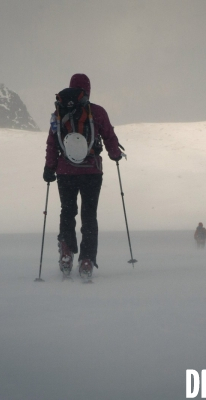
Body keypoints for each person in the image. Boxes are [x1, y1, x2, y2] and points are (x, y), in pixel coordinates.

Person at [43, 73, 123, 279]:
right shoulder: (97, 112)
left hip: (65, 172)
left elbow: (53, 142)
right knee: (89, 216)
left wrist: (50, 167)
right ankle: (86, 260)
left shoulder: (58, 112)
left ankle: (66, 251)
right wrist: (115, 154)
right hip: (91, 171)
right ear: (88, 89)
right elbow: (109, 136)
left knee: (67, 212)